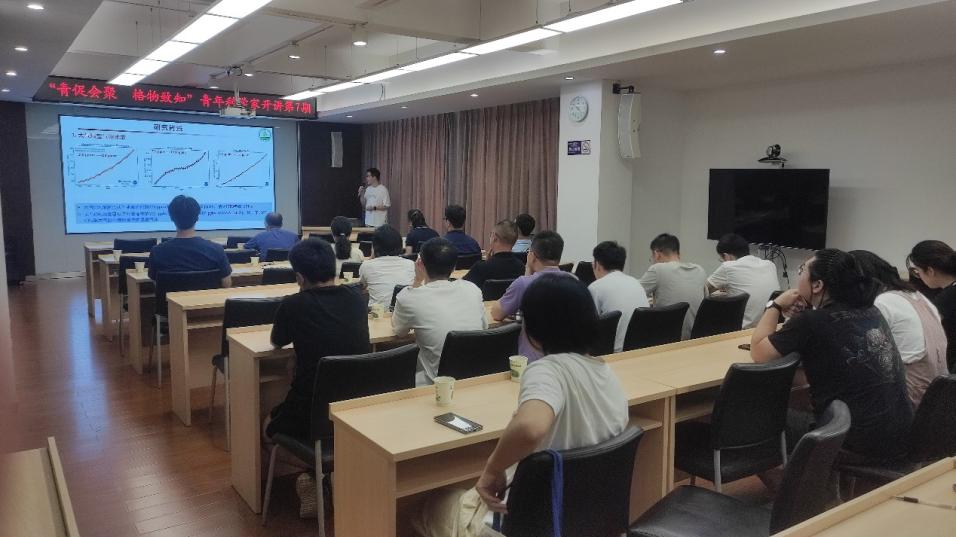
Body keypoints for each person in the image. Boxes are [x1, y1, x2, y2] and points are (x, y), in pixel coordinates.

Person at [476, 274, 628, 512]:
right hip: (591, 511)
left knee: (433, 505)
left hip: (540, 515)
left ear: (533, 328)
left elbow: (530, 427)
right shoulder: (605, 371)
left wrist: (492, 468)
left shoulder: (546, 371)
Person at [750, 248, 913, 462]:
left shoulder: (810, 322)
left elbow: (759, 352)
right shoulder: (872, 312)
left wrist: (775, 305)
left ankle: (791, 481)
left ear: (817, 285)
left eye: (802, 270)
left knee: (759, 414)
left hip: (851, 438)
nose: (799, 275)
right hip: (899, 433)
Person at [265, 238, 370, 440]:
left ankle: (298, 459)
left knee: (267, 427)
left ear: (299, 278)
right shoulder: (356, 298)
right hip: (353, 406)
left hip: (311, 408)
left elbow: (277, 342)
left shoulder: (293, 304)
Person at [851, 250, 948, 406]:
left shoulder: (883, 302)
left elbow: (865, 359)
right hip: (936, 400)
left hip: (910, 401)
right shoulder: (918, 296)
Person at [392, 238, 487, 385]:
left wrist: (417, 280)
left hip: (434, 384)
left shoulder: (410, 297)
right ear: (454, 267)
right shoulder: (472, 289)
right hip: (475, 378)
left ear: (420, 264)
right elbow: (484, 328)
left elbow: (399, 331)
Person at [492, 231, 576, 362]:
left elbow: (496, 314)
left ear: (532, 256)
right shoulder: (574, 281)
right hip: (567, 359)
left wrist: (527, 269)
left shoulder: (523, 283)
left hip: (533, 362)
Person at [148, 195, 232, 288]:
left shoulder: (157, 252)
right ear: (197, 218)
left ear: (171, 217)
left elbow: (157, 285)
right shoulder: (216, 250)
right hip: (205, 297)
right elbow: (226, 284)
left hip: (168, 298)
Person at [639, 233, 707, 339]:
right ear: (678, 254)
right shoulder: (700, 270)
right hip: (695, 338)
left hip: (666, 338)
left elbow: (634, 292)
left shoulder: (657, 269)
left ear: (656, 254)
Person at [707, 233, 780, 328]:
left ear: (726, 256)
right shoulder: (770, 264)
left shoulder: (728, 266)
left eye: (722, 259)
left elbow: (705, 289)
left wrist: (721, 292)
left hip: (743, 329)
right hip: (771, 326)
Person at [589, 241, 650, 353]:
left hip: (612, 353)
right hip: (641, 350)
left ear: (597, 264)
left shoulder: (595, 287)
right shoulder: (636, 283)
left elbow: (588, 326)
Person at [908, 240, 956, 372]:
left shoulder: (947, 298)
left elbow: (922, 330)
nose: (919, 277)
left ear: (930, 270)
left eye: (918, 272)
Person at [358, 224, 416, 307]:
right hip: (405, 311)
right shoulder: (411, 264)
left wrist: (372, 257)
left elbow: (361, 287)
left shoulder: (367, 266)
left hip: (377, 313)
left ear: (374, 247)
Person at [463, 220, 525, 291]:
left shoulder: (480, 267)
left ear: (495, 238)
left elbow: (462, 288)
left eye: (491, 235)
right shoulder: (521, 267)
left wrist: (486, 263)